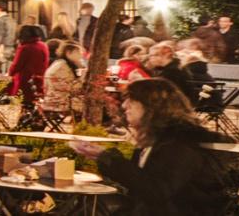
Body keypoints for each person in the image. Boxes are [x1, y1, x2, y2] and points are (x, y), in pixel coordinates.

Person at [68, 78, 228, 215]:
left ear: (152, 106)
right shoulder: (156, 138)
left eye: (131, 100)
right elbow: (141, 183)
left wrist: (109, 159)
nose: (124, 106)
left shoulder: (181, 143)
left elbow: (157, 191)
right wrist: (103, 156)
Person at [4, 24, 49, 114]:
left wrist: (9, 74)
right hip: (39, 77)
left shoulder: (24, 48)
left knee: (25, 101)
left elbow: (17, 65)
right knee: (33, 100)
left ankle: (25, 120)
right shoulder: (43, 45)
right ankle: (32, 119)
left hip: (25, 78)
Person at [42, 39, 84, 116]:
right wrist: (83, 77)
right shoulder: (62, 67)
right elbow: (73, 89)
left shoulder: (60, 63)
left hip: (55, 98)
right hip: (59, 102)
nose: (81, 55)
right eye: (78, 52)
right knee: (94, 104)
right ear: (68, 53)